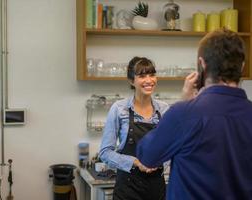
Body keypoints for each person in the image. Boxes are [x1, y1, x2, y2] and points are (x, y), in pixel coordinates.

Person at [137, 29, 252, 200]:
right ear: (242, 66)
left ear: (202, 64)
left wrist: (184, 102)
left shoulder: (184, 114)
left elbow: (147, 156)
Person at [99, 56, 169, 200]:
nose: (149, 80)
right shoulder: (119, 109)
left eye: (152, 75)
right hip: (127, 190)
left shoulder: (164, 110)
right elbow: (105, 153)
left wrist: (162, 162)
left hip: (156, 189)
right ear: (131, 81)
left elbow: (170, 148)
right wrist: (135, 162)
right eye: (142, 76)